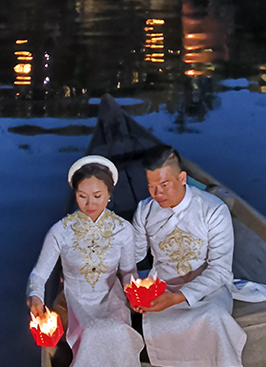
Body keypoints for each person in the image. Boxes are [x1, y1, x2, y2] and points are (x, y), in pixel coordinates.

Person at [131, 146, 246, 367]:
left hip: (208, 288)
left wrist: (179, 297)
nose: (158, 194)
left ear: (182, 178)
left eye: (164, 185)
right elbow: (132, 258)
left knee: (213, 316)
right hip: (162, 286)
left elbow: (220, 270)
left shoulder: (213, 210)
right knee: (161, 323)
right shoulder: (145, 211)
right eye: (151, 186)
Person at [28, 156, 143, 367]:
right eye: (82, 197)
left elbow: (128, 272)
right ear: (75, 195)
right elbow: (40, 274)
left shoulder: (123, 229)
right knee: (91, 331)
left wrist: (135, 293)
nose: (90, 204)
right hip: (75, 301)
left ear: (109, 194)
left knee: (115, 329)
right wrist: (35, 296)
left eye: (98, 196)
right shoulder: (60, 231)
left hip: (112, 299)